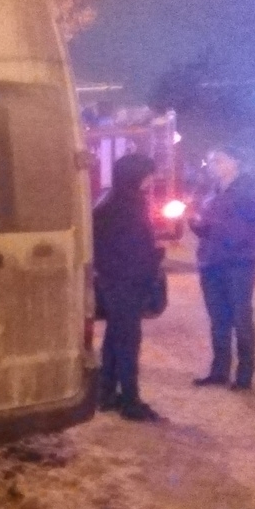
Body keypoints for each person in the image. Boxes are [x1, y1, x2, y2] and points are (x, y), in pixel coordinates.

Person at [92, 153, 163, 421]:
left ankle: (107, 393)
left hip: (114, 280)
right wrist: (154, 257)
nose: (151, 180)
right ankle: (130, 401)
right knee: (128, 342)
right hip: (125, 283)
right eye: (148, 174)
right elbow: (132, 248)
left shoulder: (110, 199)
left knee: (115, 337)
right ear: (136, 175)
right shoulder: (127, 205)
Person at [189, 146, 255, 391]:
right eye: (210, 161)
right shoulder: (210, 192)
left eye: (218, 160)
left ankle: (244, 374)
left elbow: (250, 227)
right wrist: (196, 225)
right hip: (210, 262)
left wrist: (227, 237)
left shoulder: (250, 191)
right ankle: (219, 371)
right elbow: (206, 224)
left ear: (235, 162)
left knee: (241, 318)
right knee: (218, 319)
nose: (212, 166)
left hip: (238, 262)